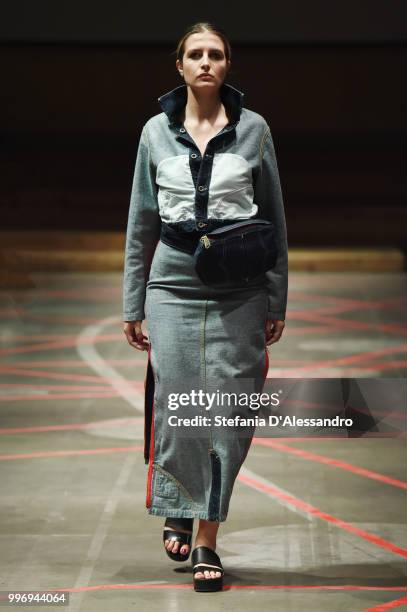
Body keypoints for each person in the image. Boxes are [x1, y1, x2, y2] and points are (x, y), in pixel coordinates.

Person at [123, 22, 288, 592]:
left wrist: (277, 297)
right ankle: (190, 517)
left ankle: (202, 526)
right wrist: (132, 301)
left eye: (215, 54)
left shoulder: (254, 130)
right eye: (195, 54)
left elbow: (276, 221)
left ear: (227, 65)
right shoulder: (154, 132)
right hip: (171, 285)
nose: (206, 63)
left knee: (229, 416)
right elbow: (141, 223)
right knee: (178, 401)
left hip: (240, 289)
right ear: (180, 65)